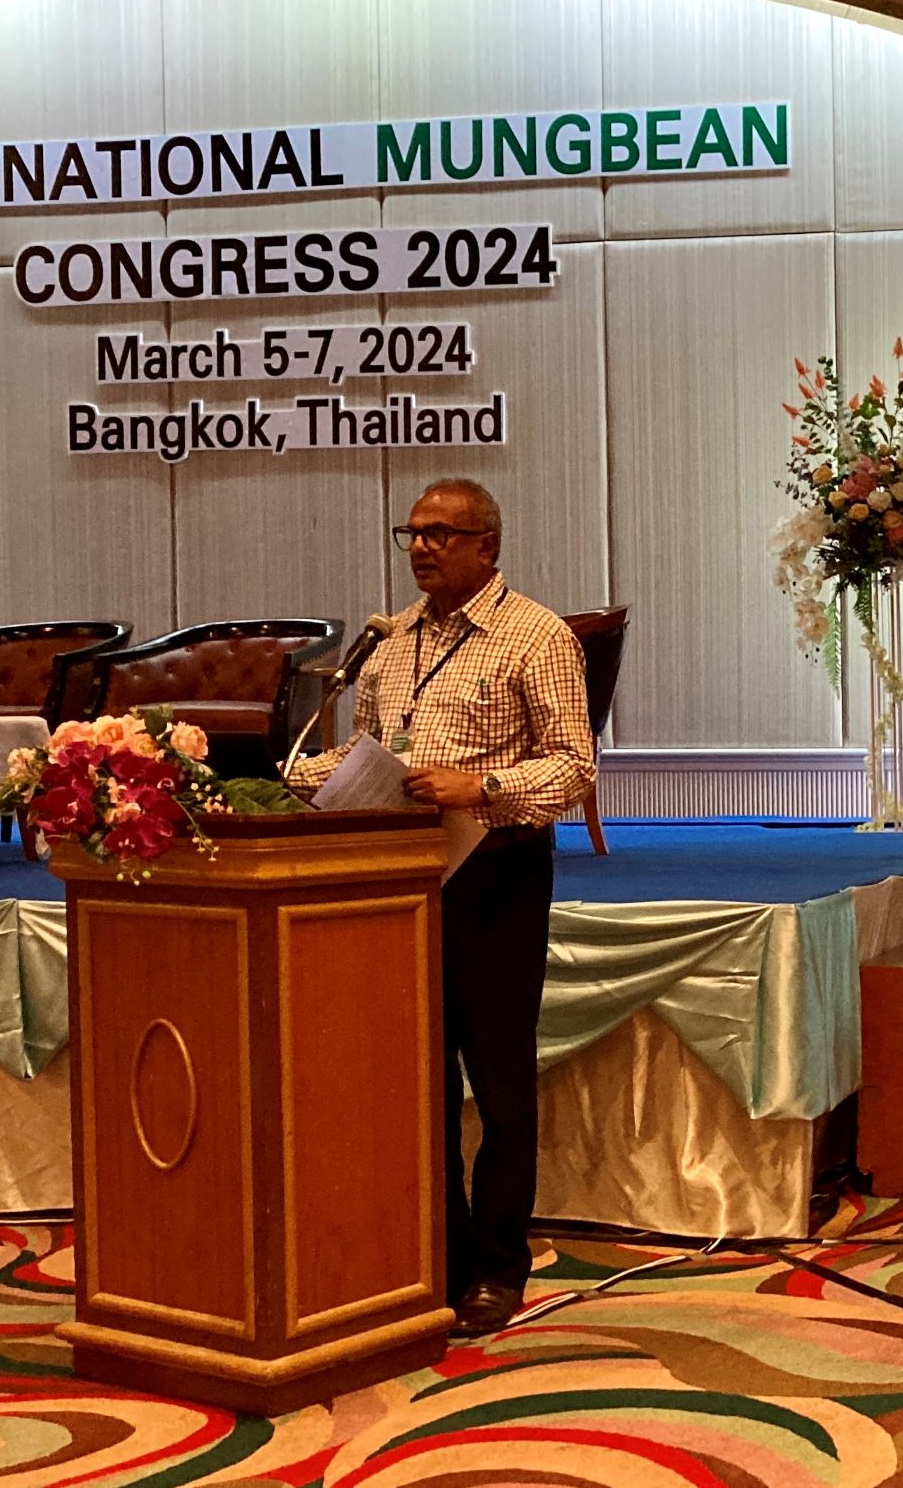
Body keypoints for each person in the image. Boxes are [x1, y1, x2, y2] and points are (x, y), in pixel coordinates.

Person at [287, 477, 595, 1338]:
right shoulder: (390, 643)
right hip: (401, 880)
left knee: (497, 1086)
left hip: (496, 872)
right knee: (417, 1082)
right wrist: (286, 777)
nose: (421, 547)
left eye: (440, 534)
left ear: (486, 545)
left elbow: (574, 767)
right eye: (411, 534)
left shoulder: (535, 636)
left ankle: (498, 1268)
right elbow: (366, 750)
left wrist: (484, 784)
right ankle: (441, 1255)